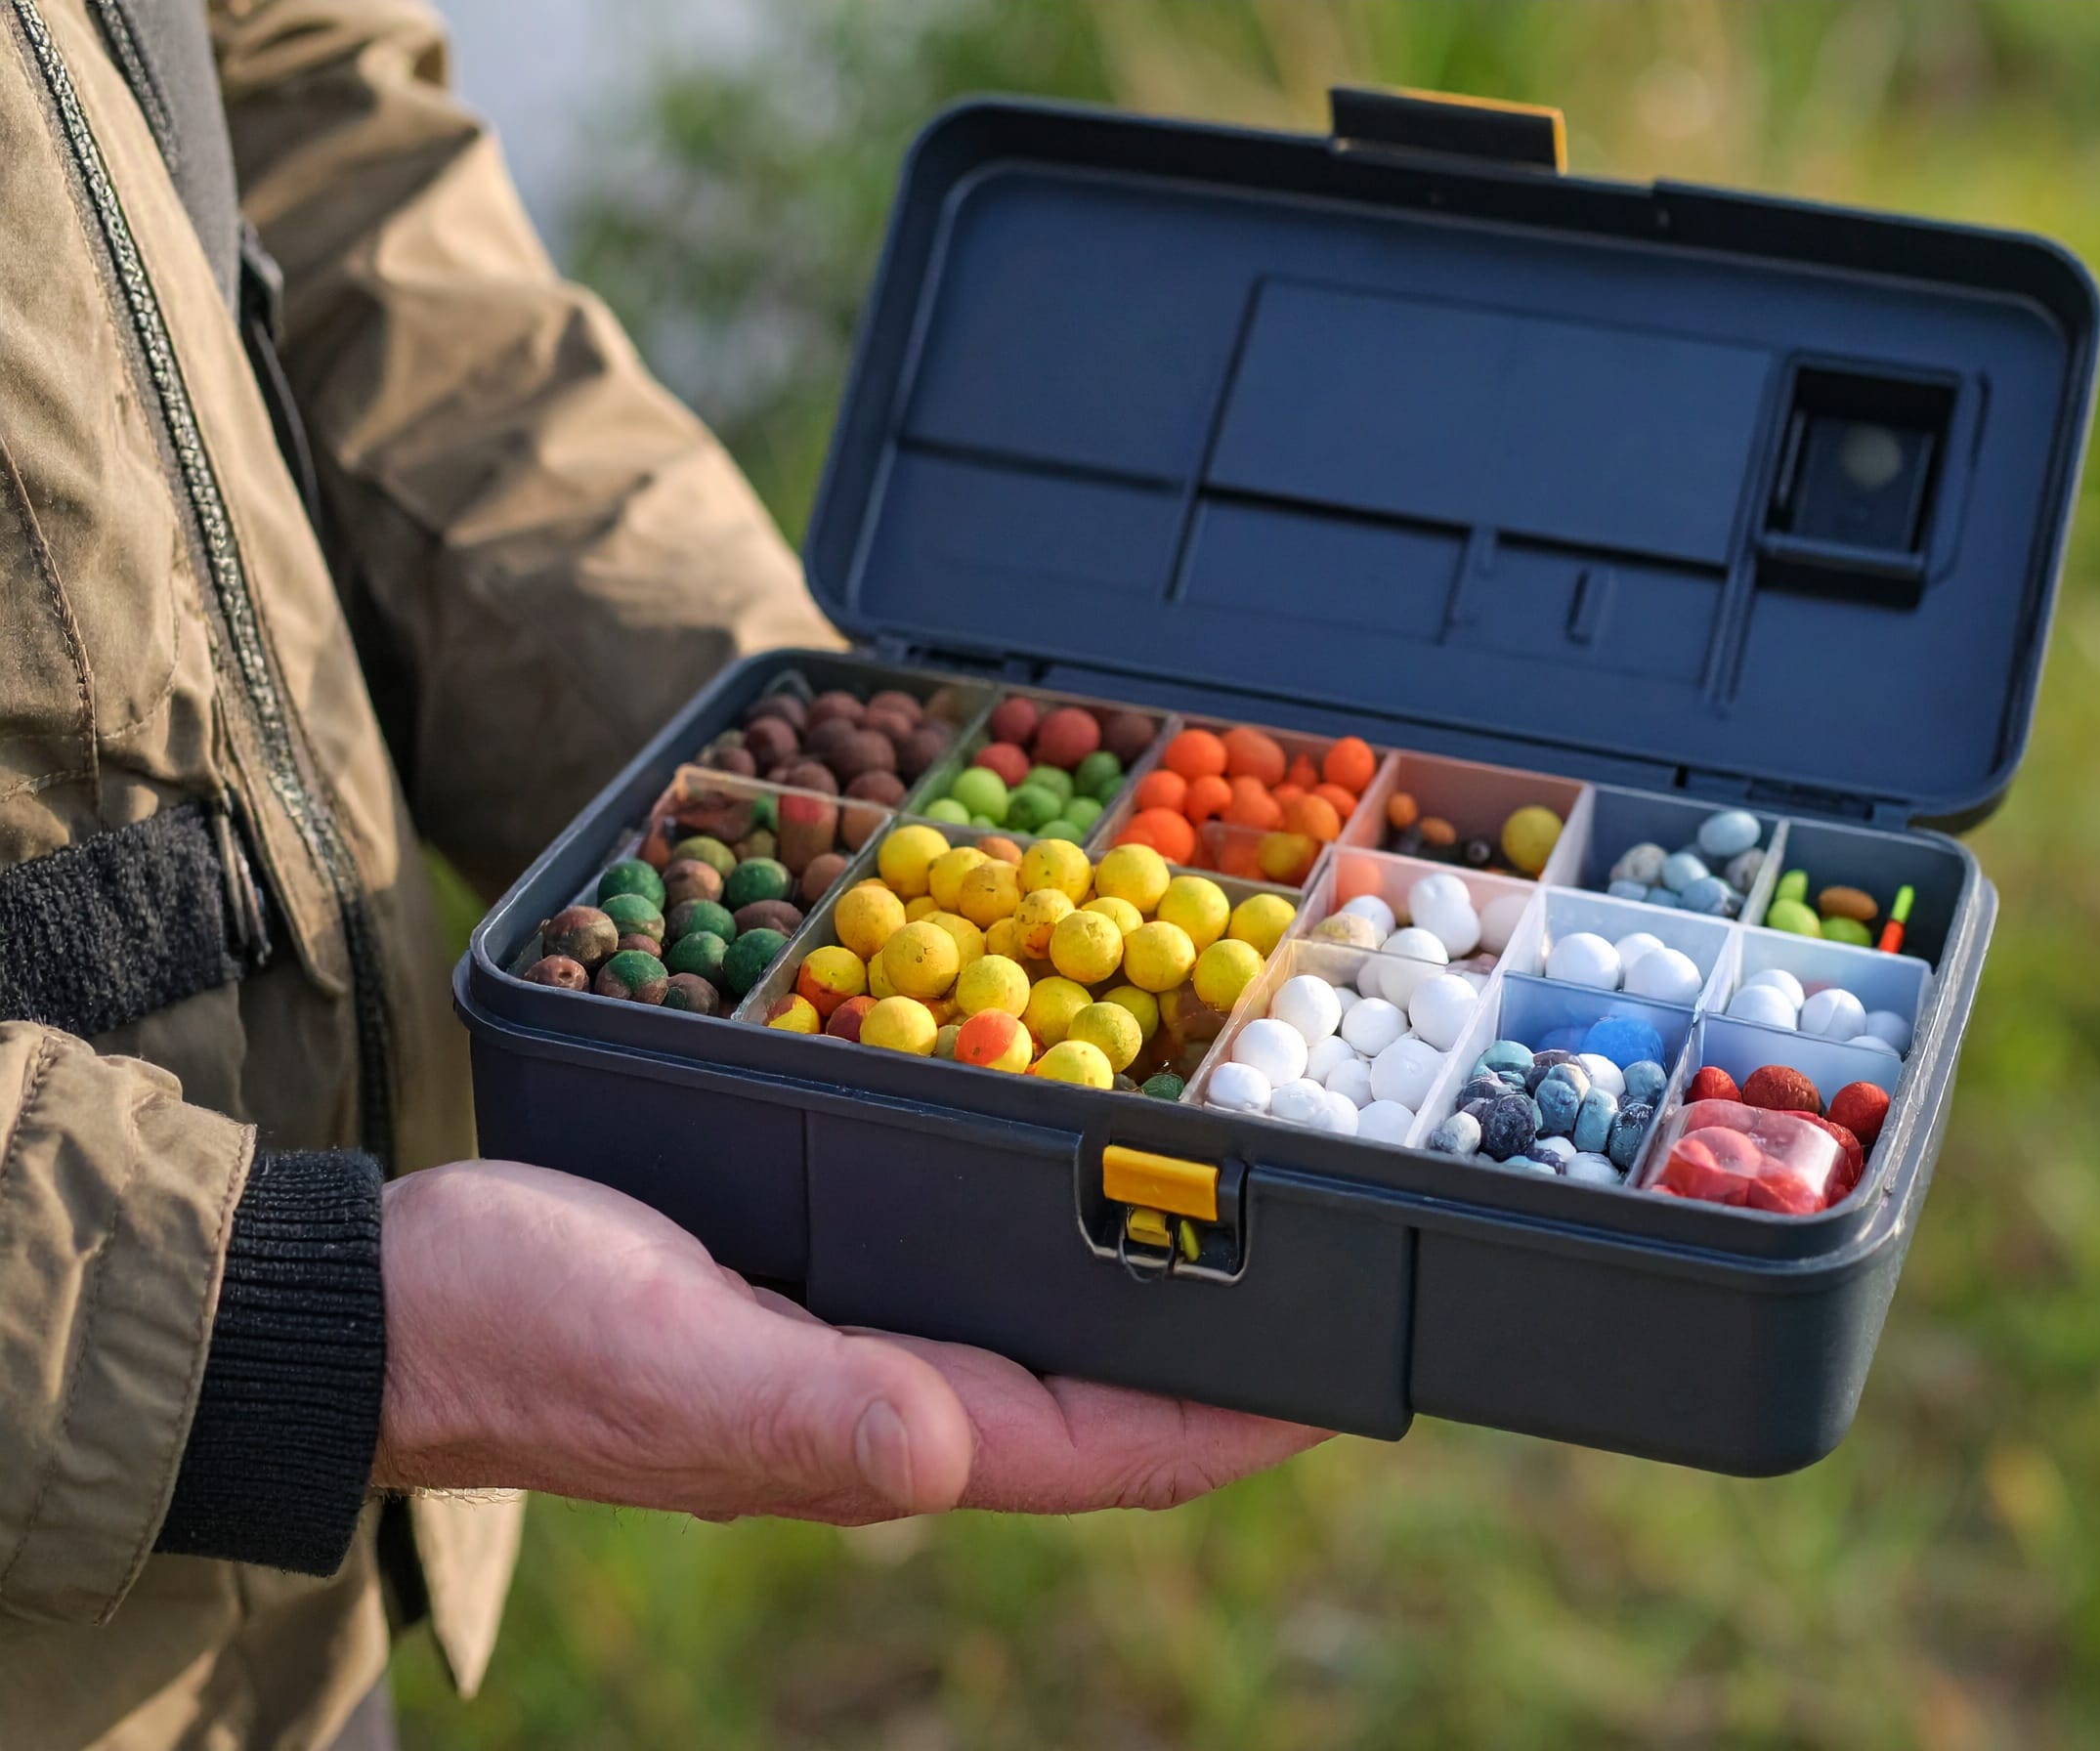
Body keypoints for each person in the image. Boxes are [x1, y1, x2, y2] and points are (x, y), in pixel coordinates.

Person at [0, 3, 1324, 1746]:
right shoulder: (288, 1329)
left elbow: (314, 152)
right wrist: (282, 1321)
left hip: (250, 1563)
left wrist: (775, 733)